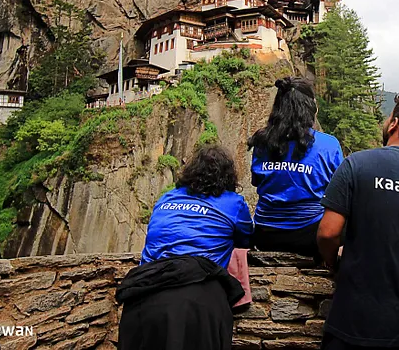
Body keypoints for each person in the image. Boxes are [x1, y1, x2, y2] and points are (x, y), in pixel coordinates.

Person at [317, 92, 399, 350]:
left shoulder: (357, 164)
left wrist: (332, 262)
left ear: (394, 124)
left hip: (357, 320)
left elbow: (327, 232)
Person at [116, 145, 254, 350]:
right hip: (197, 298)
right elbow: (246, 239)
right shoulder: (233, 202)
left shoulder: (167, 198)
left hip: (143, 293)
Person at [248, 76, 343, 257]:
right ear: (311, 107)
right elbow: (338, 192)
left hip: (265, 233)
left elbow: (257, 182)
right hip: (310, 234)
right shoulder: (328, 145)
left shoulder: (262, 142)